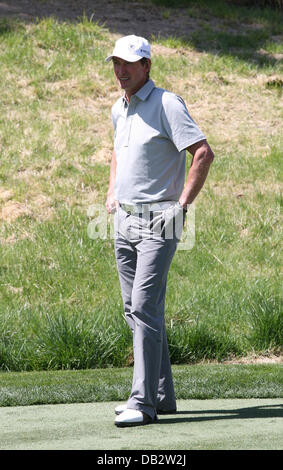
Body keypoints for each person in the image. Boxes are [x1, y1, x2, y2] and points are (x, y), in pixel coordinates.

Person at [105, 35, 214, 427]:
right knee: (134, 311)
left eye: (129, 64)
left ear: (147, 66)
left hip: (159, 221)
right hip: (124, 220)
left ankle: (142, 402)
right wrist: (112, 192)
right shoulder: (120, 108)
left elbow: (202, 152)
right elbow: (118, 151)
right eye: (116, 63)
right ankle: (162, 395)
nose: (121, 71)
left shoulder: (168, 103)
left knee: (145, 306)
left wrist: (182, 207)